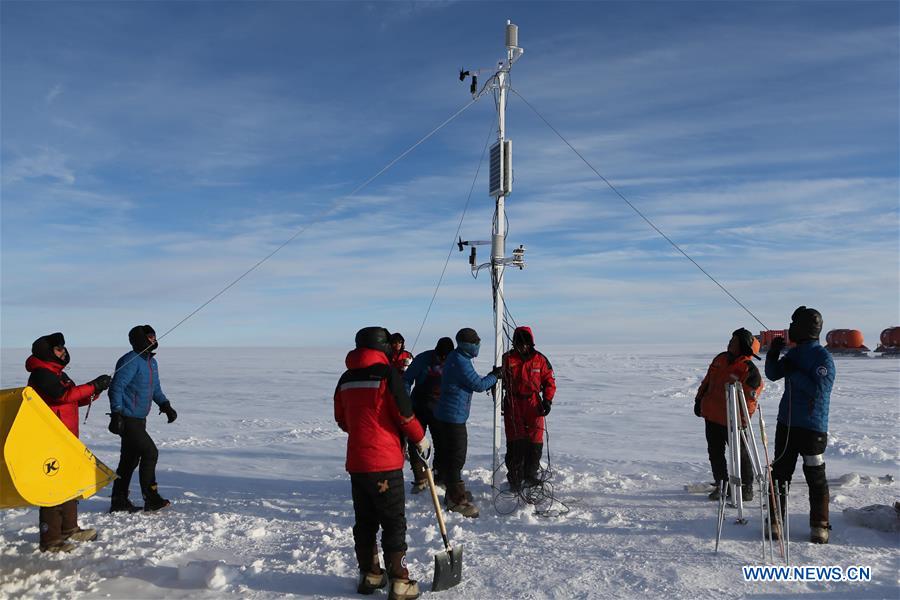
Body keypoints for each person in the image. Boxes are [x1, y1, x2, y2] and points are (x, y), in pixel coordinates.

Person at [335, 326, 429, 600]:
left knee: (364, 521)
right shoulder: (387, 374)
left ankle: (370, 574)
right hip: (385, 463)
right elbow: (404, 414)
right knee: (393, 522)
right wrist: (421, 439)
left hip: (357, 463)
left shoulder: (346, 378)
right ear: (382, 346)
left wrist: (361, 429)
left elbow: (341, 419)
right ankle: (400, 582)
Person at [25, 332, 111, 552]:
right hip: (49, 440)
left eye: (63, 347)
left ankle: (69, 529)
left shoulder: (59, 374)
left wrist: (96, 390)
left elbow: (75, 398)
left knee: (69, 483)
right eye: (58, 349)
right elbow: (61, 396)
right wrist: (92, 385)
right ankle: (51, 540)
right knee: (52, 486)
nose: (64, 351)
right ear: (47, 352)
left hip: (67, 438)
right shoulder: (41, 374)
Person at [765, 306, 835, 544]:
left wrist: (794, 372)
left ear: (807, 327)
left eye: (794, 324)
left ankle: (820, 526)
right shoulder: (794, 354)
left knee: (815, 476)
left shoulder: (823, 358)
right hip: (786, 425)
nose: (790, 329)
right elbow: (773, 374)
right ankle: (774, 521)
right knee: (779, 475)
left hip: (812, 427)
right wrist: (774, 354)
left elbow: (819, 390)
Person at [108, 325, 177, 513]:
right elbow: (116, 388)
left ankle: (119, 500)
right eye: (150, 337)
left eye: (154, 336)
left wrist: (165, 405)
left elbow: (155, 389)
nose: (154, 340)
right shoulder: (131, 361)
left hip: (139, 419)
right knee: (150, 453)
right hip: (127, 419)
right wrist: (116, 414)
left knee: (129, 460)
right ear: (140, 339)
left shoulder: (150, 362)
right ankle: (151, 497)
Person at [433, 327, 501, 518]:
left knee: (452, 457)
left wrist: (491, 376)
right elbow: (478, 385)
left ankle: (453, 493)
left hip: (449, 414)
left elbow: (472, 381)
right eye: (476, 342)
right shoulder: (459, 361)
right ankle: (456, 500)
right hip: (452, 416)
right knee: (456, 458)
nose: (478, 345)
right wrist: (495, 376)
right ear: (468, 344)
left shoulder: (459, 357)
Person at [693, 328, 764, 502]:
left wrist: (742, 419)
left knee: (741, 455)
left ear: (743, 346)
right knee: (715, 453)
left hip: (733, 421)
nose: (730, 343)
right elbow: (708, 381)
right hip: (711, 415)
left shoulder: (749, 369)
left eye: (734, 341)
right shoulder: (720, 359)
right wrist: (699, 400)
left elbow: (751, 399)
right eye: (730, 340)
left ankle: (746, 487)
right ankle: (722, 484)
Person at [500, 326, 556, 491]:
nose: (522, 347)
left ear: (530, 343)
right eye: (519, 343)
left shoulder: (540, 359)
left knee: (535, 440)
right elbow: (498, 378)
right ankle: (515, 478)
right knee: (515, 441)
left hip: (533, 404)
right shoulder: (507, 359)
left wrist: (547, 400)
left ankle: (530, 475)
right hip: (513, 402)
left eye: (525, 344)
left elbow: (549, 382)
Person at [403, 336, 454, 493]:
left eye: (446, 356)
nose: (442, 359)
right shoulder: (423, 359)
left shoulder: (454, 361)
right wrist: (405, 403)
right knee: (415, 442)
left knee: (442, 443)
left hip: (440, 409)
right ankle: (420, 477)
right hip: (419, 405)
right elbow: (407, 379)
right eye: (440, 356)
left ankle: (439, 476)